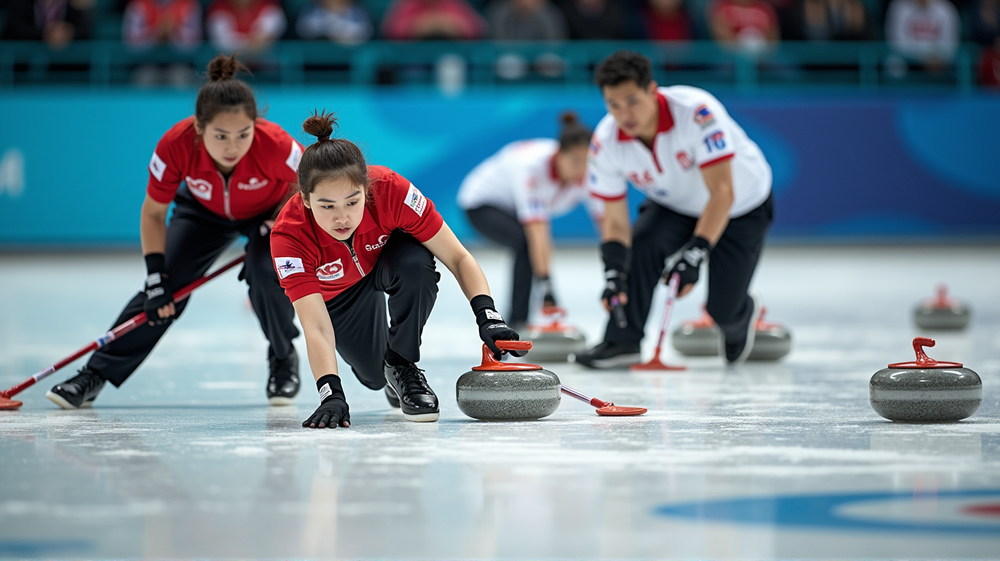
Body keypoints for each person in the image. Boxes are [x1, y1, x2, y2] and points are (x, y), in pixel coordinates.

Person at [46, 54, 304, 409]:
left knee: (264, 270)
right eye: (221, 135)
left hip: (267, 213)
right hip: (202, 213)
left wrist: (281, 217)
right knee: (166, 290)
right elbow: (153, 212)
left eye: (244, 134)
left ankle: (282, 357)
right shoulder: (176, 144)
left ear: (255, 126)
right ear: (199, 128)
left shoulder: (276, 145)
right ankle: (95, 373)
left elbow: (311, 187)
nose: (233, 146)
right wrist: (155, 277)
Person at [270, 112, 522, 428]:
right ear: (305, 200)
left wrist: (489, 316)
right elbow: (316, 326)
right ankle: (386, 373)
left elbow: (458, 257)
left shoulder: (391, 190)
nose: (342, 218)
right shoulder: (288, 236)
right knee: (374, 377)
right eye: (327, 206)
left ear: (366, 188)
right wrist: (331, 393)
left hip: (387, 262)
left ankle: (402, 364)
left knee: (417, 263)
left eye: (352, 201)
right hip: (340, 294)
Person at [573, 50, 773, 368]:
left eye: (632, 101)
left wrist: (695, 253)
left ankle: (739, 315)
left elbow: (722, 192)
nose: (625, 114)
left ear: (653, 91)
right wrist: (613, 272)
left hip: (740, 206)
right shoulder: (606, 141)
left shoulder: (696, 112)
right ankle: (622, 342)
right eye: (614, 105)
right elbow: (614, 221)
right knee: (639, 248)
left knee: (721, 308)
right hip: (675, 205)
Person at [457, 112, 603, 331]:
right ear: (559, 154)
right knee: (525, 243)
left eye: (587, 162)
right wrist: (547, 285)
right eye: (575, 162)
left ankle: (520, 319)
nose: (581, 170)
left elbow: (605, 220)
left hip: (514, 208)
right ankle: (517, 322)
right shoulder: (532, 168)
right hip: (480, 204)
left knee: (527, 243)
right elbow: (538, 232)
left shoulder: (587, 173)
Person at [885, 0, 960, 72]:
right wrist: (922, 57)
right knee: (894, 64)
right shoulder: (899, 6)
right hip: (908, 58)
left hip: (937, 60)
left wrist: (937, 57)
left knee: (955, 63)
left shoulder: (946, 8)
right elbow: (897, 43)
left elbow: (950, 43)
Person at [1, 0, 93, 48]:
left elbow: (84, 28)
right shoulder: (20, 3)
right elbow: (15, 28)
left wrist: (67, 31)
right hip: (19, 64)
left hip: (65, 66)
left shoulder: (74, 4)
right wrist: (45, 33)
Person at [206, 0, 287, 53]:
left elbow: (263, 42)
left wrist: (254, 44)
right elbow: (224, 45)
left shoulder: (271, 8)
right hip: (230, 71)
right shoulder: (219, 10)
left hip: (266, 70)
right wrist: (251, 44)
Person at [380, 0, 486, 40]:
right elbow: (390, 30)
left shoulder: (454, 4)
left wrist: (453, 26)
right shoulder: (407, 5)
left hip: (451, 60)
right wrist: (418, 26)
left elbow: (478, 28)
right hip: (413, 61)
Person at [296, 0, 373, 45]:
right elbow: (305, 29)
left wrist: (334, 33)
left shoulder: (358, 12)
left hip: (347, 64)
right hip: (315, 64)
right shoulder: (312, 11)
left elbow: (363, 32)